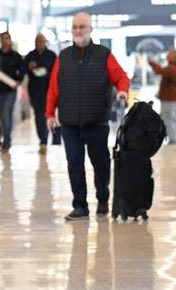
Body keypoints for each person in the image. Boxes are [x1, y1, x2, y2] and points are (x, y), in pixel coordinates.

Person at [46, 12, 130, 221]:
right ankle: (80, 205)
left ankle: (103, 199)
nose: (77, 31)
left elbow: (121, 76)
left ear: (90, 29)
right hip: (70, 123)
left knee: (101, 163)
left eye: (82, 27)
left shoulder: (103, 54)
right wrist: (49, 113)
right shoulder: (63, 57)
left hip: (97, 120)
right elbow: (53, 89)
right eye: (74, 27)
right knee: (74, 164)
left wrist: (122, 91)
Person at [0, 31, 25, 153]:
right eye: (2, 38)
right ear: (0, 40)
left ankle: (7, 142)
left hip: (10, 91)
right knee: (2, 116)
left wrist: (18, 81)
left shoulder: (16, 56)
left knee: (5, 114)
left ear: (10, 40)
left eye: (7, 38)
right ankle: (5, 139)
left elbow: (22, 71)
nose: (5, 40)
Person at [23, 33, 60, 151]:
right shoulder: (30, 56)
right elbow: (24, 70)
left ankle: (55, 142)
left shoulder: (51, 55)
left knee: (52, 115)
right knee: (39, 117)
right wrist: (30, 67)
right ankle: (43, 141)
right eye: (37, 42)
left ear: (45, 42)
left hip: (49, 90)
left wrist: (42, 71)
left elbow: (56, 72)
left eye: (41, 41)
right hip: (35, 91)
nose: (39, 44)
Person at [148, 50, 176, 144]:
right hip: (173, 98)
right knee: (172, 119)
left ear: (174, 57)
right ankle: (175, 139)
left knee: (169, 119)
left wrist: (152, 63)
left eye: (169, 54)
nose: (167, 55)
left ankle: (173, 140)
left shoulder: (172, 68)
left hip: (171, 99)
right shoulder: (174, 68)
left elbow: (159, 71)